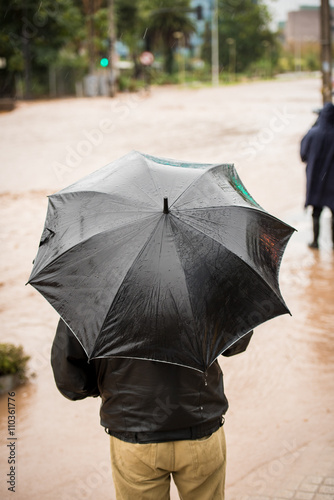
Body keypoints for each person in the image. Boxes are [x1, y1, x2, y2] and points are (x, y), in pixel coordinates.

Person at [51, 318, 253, 500]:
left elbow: (68, 377)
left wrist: (105, 388)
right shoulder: (206, 279)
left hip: (133, 435)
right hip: (201, 427)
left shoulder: (91, 290)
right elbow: (237, 341)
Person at [300, 101, 334, 249]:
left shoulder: (312, 133)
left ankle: (315, 242)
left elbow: (303, 155)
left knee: (316, 212)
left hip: (316, 181)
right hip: (333, 182)